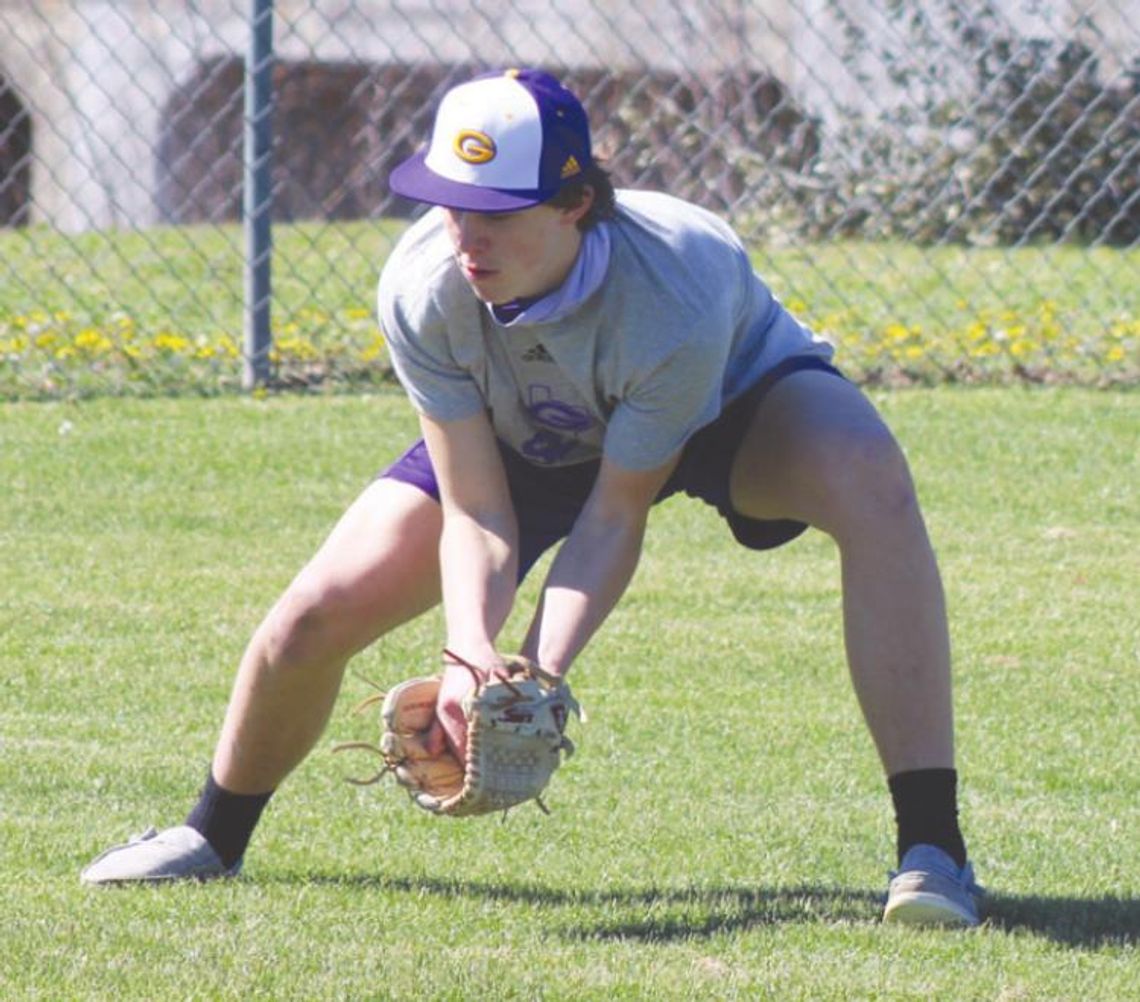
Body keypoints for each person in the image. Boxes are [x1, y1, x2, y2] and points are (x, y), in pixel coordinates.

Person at [81, 68, 981, 926]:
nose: (467, 238)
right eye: (452, 204)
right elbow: (477, 510)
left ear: (575, 203)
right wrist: (475, 661)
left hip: (729, 403)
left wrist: (539, 676)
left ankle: (932, 851)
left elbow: (616, 511)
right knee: (314, 614)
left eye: (499, 214)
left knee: (871, 481)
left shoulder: (676, 286)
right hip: (531, 431)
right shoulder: (424, 285)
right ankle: (210, 834)